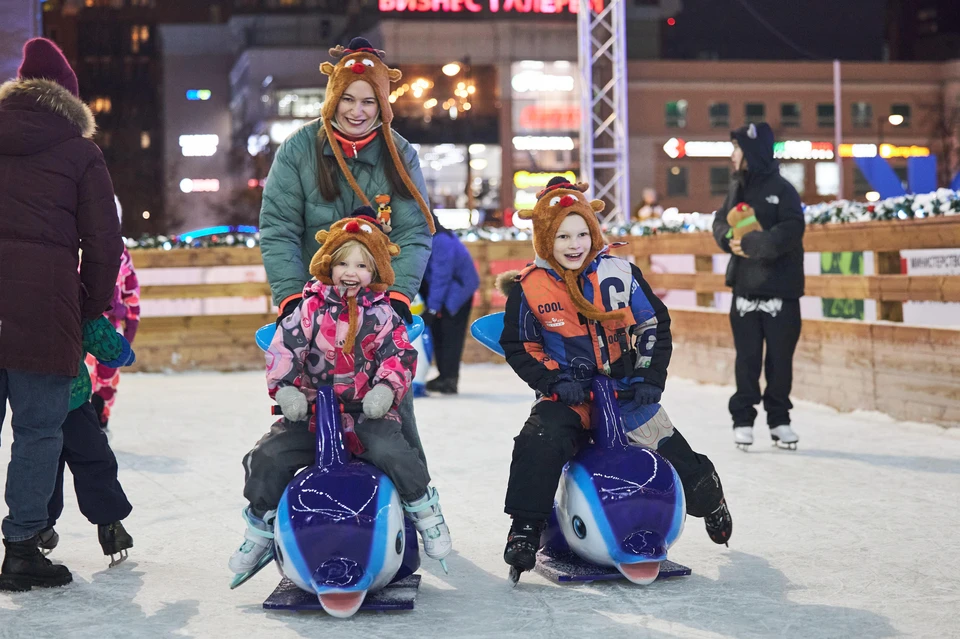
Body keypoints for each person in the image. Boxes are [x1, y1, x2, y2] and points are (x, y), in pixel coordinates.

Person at [498, 177, 732, 575]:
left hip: (624, 392)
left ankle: (710, 501)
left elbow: (653, 325)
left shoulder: (620, 273)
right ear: (544, 240)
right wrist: (553, 381)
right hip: (568, 396)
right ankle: (524, 529)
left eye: (582, 234)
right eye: (562, 237)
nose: (574, 245)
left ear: (594, 232)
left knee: (674, 453)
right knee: (540, 441)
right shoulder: (530, 287)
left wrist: (648, 378)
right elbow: (521, 345)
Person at [230, 211, 452, 581]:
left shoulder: (383, 315)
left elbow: (399, 355)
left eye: (362, 265)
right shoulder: (308, 310)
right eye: (343, 262)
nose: (351, 272)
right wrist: (287, 391)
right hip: (313, 413)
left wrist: (384, 389)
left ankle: (425, 513)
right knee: (267, 455)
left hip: (367, 412)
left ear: (376, 270)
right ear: (328, 265)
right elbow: (283, 350)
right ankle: (260, 527)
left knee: (393, 451)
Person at [258, 36, 434, 485]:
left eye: (369, 102)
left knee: (389, 415)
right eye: (349, 99)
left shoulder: (400, 154)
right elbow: (278, 229)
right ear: (333, 97)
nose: (357, 111)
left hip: (375, 310)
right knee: (302, 415)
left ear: (383, 105)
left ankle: (412, 508)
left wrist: (396, 298)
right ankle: (300, 512)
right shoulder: (298, 150)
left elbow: (415, 232)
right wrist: (291, 300)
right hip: (313, 311)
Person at [0, 38, 122, 591]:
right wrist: (88, 308)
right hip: (46, 311)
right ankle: (22, 551)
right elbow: (103, 244)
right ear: (69, 98)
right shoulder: (80, 152)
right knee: (38, 434)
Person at [711, 123, 805, 450]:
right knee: (747, 359)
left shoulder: (783, 189)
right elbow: (720, 222)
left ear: (752, 152)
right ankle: (743, 419)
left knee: (779, 361)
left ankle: (779, 420)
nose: (733, 155)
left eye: (737, 149)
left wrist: (757, 243)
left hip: (781, 292)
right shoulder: (736, 189)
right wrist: (728, 239)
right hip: (745, 291)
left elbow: (793, 227)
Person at [38, 316, 136, 566]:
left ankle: (36, 528)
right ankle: (110, 527)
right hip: (71, 398)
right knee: (93, 460)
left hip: (31, 402)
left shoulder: (14, 291)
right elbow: (106, 343)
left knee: (39, 465)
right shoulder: (69, 291)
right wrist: (123, 352)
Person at [88, 196, 141, 433]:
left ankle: (102, 417)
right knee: (85, 375)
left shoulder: (122, 254)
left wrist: (131, 321)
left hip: (111, 327)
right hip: (84, 326)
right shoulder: (79, 250)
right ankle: (84, 421)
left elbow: (131, 288)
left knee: (108, 376)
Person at [421, 219, 480, 395]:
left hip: (457, 293)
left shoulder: (441, 240)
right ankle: (444, 376)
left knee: (450, 336)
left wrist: (433, 308)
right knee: (439, 333)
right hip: (446, 292)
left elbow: (441, 276)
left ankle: (449, 380)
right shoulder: (431, 238)